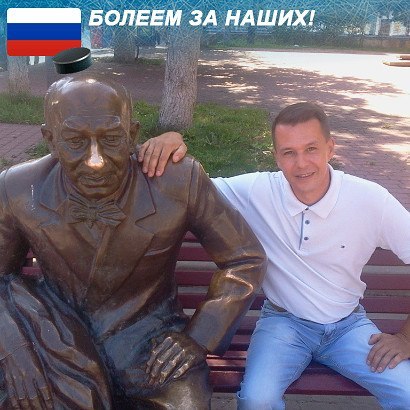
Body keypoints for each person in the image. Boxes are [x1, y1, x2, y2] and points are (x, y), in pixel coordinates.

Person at [0, 73, 266, 409]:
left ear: (133, 134)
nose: (95, 161)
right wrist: (14, 347)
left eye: (112, 138)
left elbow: (244, 258)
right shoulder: (17, 188)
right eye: (75, 140)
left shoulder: (177, 182)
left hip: (152, 348)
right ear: (50, 139)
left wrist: (199, 337)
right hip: (55, 344)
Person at [139, 102, 410, 409]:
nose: (301, 163)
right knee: (257, 400)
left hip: (348, 327)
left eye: (311, 149)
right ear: (276, 156)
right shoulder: (257, 191)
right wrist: (172, 141)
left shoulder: (370, 199)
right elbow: (189, 189)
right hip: (283, 325)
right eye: (289, 152)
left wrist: (405, 338)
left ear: (330, 148)